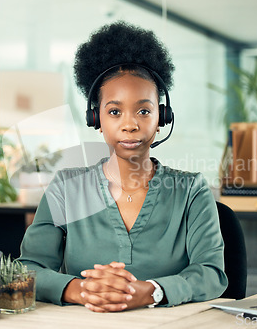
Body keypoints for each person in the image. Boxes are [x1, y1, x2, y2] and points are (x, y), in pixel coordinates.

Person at [19, 21, 227, 313]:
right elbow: (28, 268)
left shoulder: (191, 190)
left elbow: (212, 273)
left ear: (162, 117)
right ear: (96, 119)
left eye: (144, 110)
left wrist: (151, 292)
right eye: (114, 111)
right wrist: (80, 290)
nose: (130, 124)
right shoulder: (67, 188)